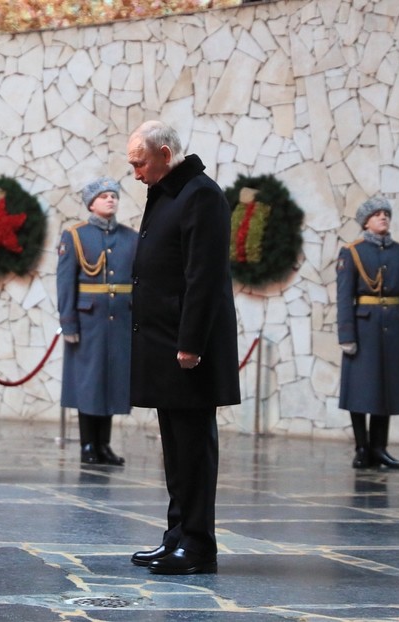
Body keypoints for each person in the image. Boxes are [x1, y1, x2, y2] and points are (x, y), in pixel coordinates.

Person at [125, 120, 240, 575]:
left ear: (165, 154)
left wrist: (190, 343)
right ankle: (177, 535)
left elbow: (203, 276)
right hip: (164, 343)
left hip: (188, 349)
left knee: (193, 449)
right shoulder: (168, 193)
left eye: (140, 163)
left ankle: (198, 546)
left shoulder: (201, 195)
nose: (136, 173)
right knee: (176, 449)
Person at [56, 176, 139, 465]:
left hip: (121, 321)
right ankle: (88, 445)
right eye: (104, 196)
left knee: (113, 382)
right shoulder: (75, 236)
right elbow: (65, 283)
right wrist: (68, 323)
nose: (110, 200)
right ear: (91, 204)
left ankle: (104, 445)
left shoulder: (130, 237)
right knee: (89, 383)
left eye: (113, 195)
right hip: (88, 321)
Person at [336, 197, 399, 470]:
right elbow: (344, 296)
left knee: (387, 389)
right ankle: (362, 447)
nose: (383, 217)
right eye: (376, 214)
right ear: (365, 222)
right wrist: (346, 334)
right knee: (359, 390)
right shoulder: (352, 252)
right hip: (364, 328)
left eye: (386, 213)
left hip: (394, 327)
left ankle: (379, 448)